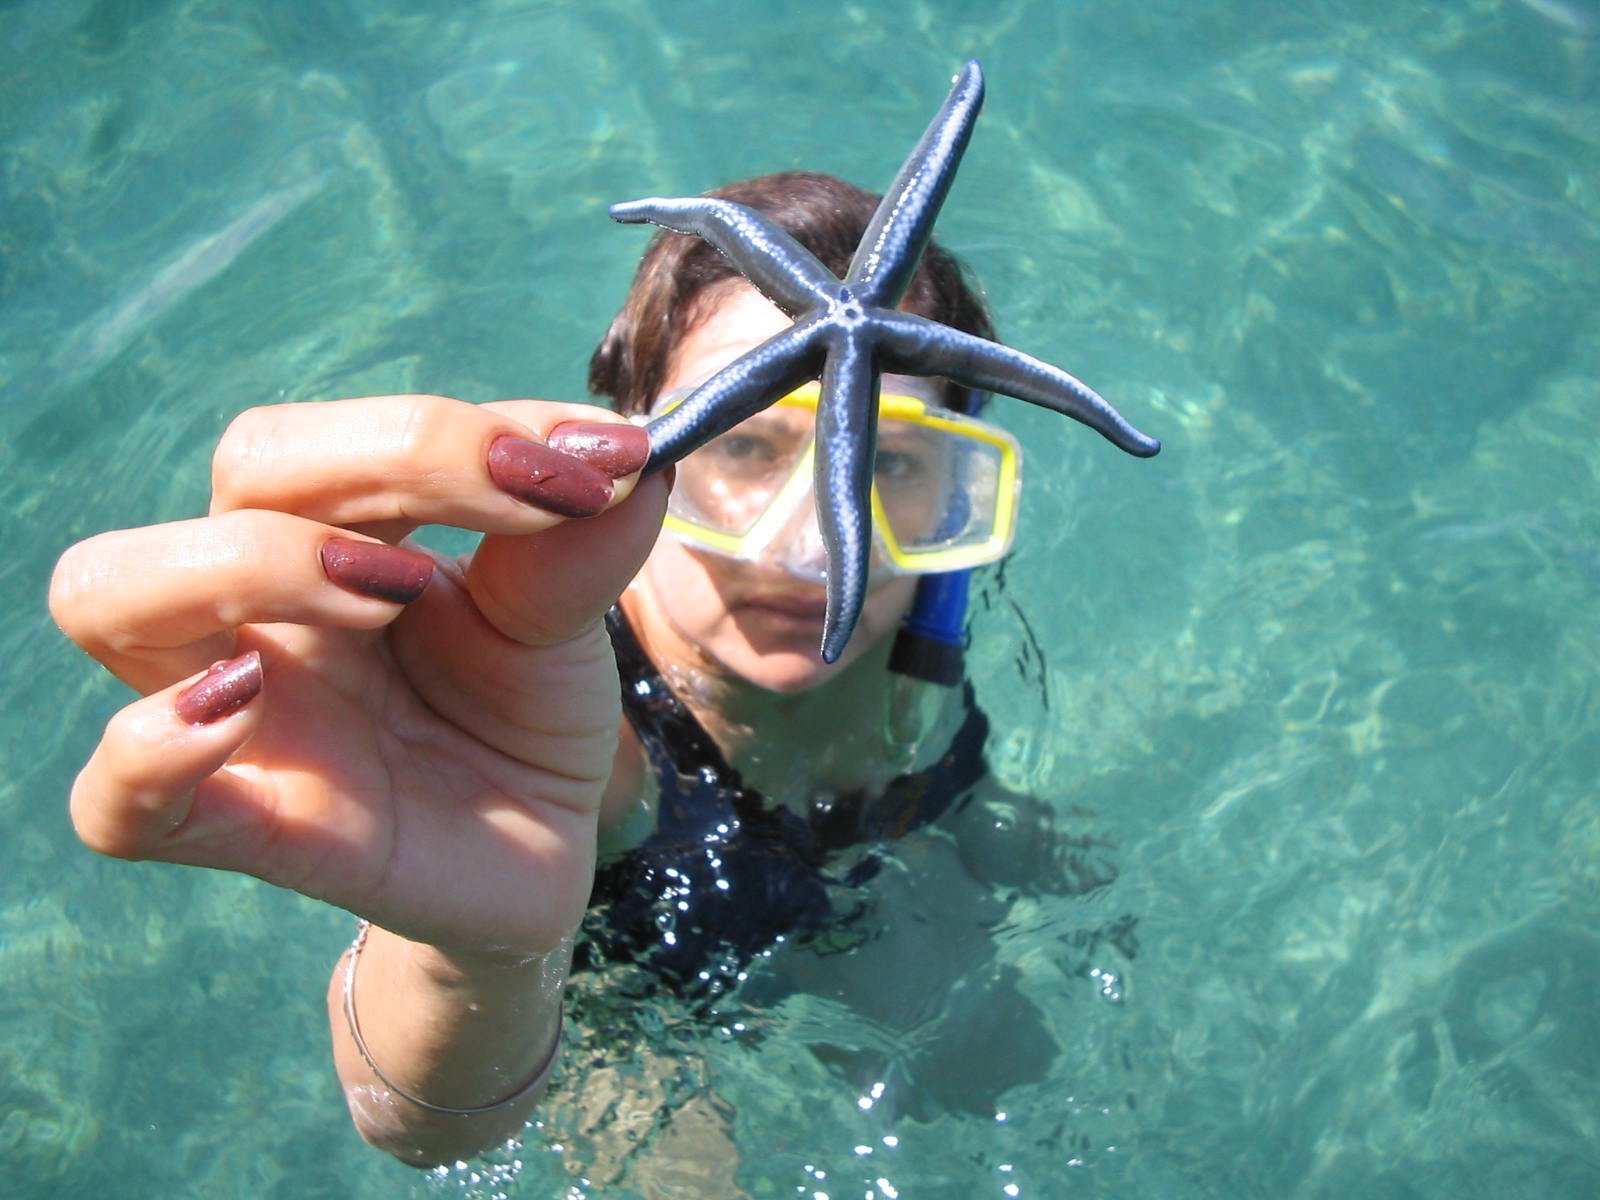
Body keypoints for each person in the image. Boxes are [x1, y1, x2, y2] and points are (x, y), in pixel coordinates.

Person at [49, 170, 1110, 1171]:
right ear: (633, 443)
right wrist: (471, 956)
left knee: (1012, 1068)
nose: (813, 549)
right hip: (629, 1004)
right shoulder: (550, 721)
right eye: (743, 446)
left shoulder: (929, 603)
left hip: (854, 885)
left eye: (888, 459)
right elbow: (419, 1130)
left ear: (956, 485)